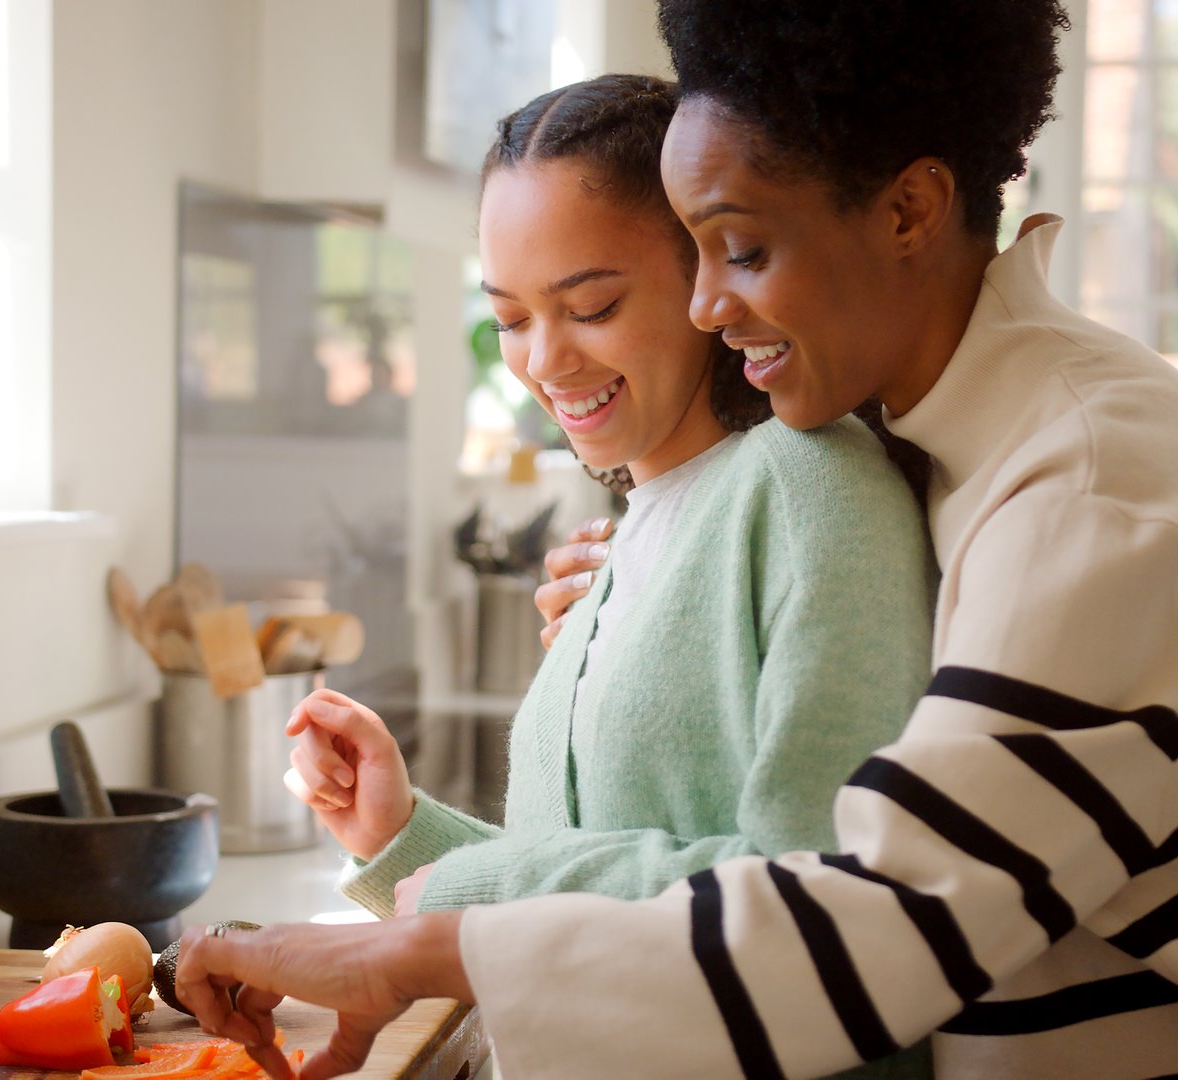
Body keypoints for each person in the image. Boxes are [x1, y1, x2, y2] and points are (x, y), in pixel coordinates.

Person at [175, 3, 1178, 1077]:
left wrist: (424, 945)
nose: (709, 304)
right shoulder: (943, 443)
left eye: (740, 246)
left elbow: (889, 927)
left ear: (908, 209)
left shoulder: (1093, 484)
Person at [276, 72, 936, 1078]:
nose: (544, 360)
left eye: (590, 304)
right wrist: (404, 837)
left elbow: (819, 891)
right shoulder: (623, 535)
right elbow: (591, 867)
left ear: (710, 275)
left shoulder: (812, 490)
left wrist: (468, 892)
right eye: (508, 316)